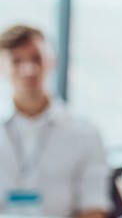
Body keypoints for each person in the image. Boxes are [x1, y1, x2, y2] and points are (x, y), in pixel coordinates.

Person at [0, 24, 110, 218]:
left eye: (37, 58)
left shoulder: (85, 133)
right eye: (16, 61)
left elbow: (93, 207)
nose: (28, 70)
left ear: (53, 61)